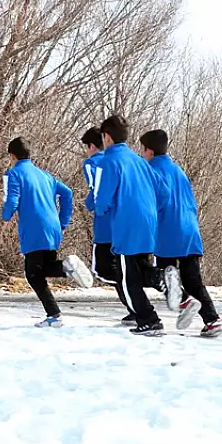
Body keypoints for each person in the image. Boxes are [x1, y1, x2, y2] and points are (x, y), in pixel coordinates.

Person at [1, 136, 92, 326]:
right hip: (53, 227)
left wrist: (5, 217)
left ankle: (55, 314)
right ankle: (66, 269)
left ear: (12, 155)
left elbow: (12, 201)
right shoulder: (44, 175)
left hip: (35, 229)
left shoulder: (14, 174)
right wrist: (63, 221)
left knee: (32, 274)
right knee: (43, 268)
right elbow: (67, 193)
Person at [140, 129, 222, 337]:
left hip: (168, 232)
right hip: (190, 230)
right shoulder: (178, 170)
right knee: (193, 280)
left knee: (164, 277)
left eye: (142, 149)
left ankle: (185, 302)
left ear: (149, 150)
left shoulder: (151, 170)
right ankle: (212, 320)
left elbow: (155, 202)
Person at [94, 115, 165, 336]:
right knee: (139, 270)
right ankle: (158, 277)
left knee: (127, 279)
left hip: (127, 225)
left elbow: (102, 199)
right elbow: (163, 192)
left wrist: (99, 208)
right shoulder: (140, 161)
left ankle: (148, 319)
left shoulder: (108, 161)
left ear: (106, 137)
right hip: (149, 223)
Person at [82, 128, 134, 324]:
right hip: (124, 223)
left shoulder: (93, 163)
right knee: (122, 268)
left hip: (104, 226)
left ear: (92, 146)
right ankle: (134, 307)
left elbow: (96, 192)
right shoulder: (123, 160)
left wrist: (90, 203)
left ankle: (135, 303)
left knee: (103, 270)